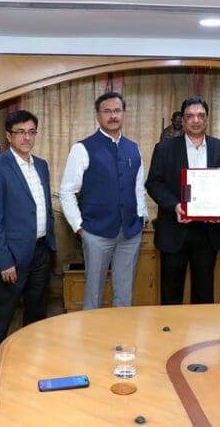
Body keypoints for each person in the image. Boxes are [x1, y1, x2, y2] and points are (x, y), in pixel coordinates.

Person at [0, 110, 57, 380]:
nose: (27, 137)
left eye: (31, 132)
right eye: (20, 132)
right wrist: (4, 261)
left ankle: (32, 363)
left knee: (36, 313)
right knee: (2, 315)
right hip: (12, 257)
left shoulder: (41, 165)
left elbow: (44, 208)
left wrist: (50, 242)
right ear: (8, 136)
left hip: (41, 251)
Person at [59, 92, 147, 310]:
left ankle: (120, 331)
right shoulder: (82, 148)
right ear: (98, 115)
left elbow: (138, 187)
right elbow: (67, 191)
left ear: (123, 113)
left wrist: (142, 217)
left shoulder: (133, 148)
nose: (113, 116)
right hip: (96, 233)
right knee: (93, 295)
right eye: (107, 111)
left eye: (117, 111)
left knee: (124, 294)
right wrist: (79, 228)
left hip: (130, 233)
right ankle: (91, 333)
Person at [146, 96, 220, 304]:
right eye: (190, 116)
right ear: (183, 120)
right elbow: (154, 183)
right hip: (174, 229)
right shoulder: (164, 148)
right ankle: (171, 327)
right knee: (170, 294)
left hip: (208, 233)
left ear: (207, 119)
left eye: (200, 115)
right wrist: (175, 205)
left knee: (204, 294)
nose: (196, 120)